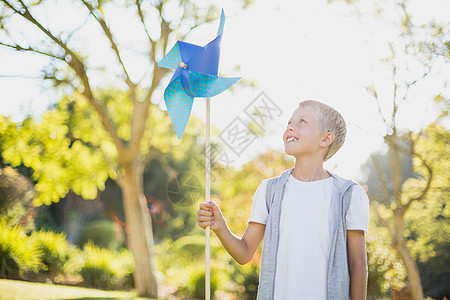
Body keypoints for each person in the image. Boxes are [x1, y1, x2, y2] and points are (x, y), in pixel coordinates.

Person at [197, 100, 369, 300]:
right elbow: (244, 254)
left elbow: (358, 264)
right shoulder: (269, 191)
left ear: (326, 138)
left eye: (302, 121)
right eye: (289, 122)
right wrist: (220, 227)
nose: (290, 126)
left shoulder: (349, 195)